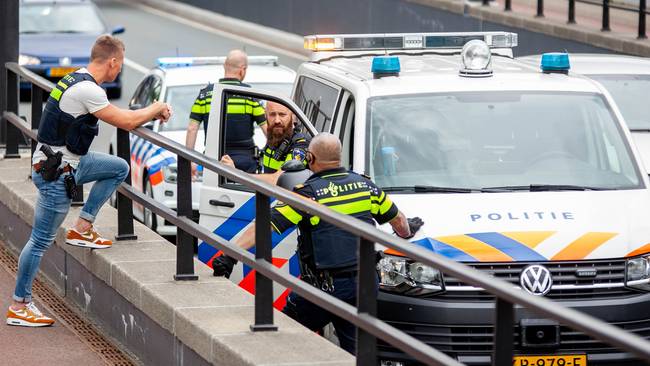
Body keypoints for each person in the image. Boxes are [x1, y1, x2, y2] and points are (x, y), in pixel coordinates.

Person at [6, 35, 172, 327]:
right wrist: (156, 107)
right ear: (113, 61)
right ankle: (20, 305)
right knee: (40, 240)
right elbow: (128, 121)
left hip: (69, 164)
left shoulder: (75, 79)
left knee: (118, 167)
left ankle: (83, 227)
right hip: (56, 174)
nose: (119, 72)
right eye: (119, 66)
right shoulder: (88, 91)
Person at [212, 133, 424, 354]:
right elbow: (399, 222)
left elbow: (265, 225)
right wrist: (407, 231)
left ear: (310, 158)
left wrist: (230, 254)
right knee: (358, 351)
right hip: (365, 285)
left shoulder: (309, 195)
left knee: (278, 340)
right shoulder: (366, 186)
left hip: (325, 289)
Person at [185, 49, 267, 175]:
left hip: (213, 162)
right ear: (242, 69)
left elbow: (192, 128)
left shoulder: (205, 95)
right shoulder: (250, 96)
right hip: (245, 163)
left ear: (224, 66)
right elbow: (267, 129)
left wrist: (189, 161)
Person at [220, 101, 310, 184]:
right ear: (265, 115)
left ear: (293, 117)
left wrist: (237, 175)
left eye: (282, 115)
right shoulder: (274, 137)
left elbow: (278, 180)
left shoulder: (300, 144)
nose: (277, 120)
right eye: (272, 115)